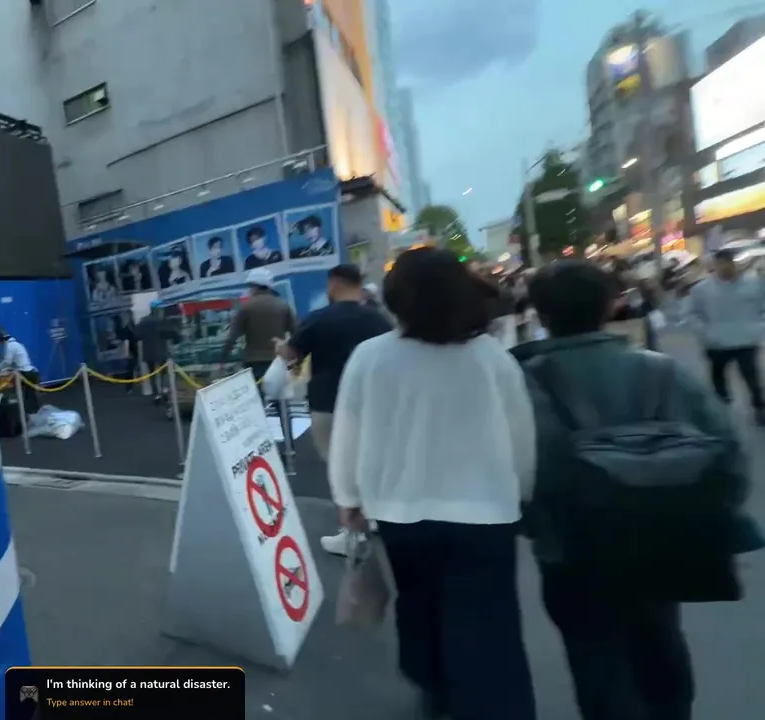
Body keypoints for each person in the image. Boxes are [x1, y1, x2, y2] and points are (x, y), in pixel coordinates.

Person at [512, 260, 757, 720]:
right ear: (612, 306)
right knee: (660, 645)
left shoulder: (521, 382)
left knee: (594, 658)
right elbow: (728, 452)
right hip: (660, 532)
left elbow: (520, 470)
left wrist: (537, 526)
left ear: (540, 315)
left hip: (571, 545)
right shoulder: (661, 371)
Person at [329, 247, 537, 720]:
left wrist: (348, 497)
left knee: (419, 604)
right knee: (489, 624)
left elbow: (348, 431)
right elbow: (521, 435)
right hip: (486, 511)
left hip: (400, 512)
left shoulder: (370, 357)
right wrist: (523, 491)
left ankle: (433, 686)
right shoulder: (490, 356)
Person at [277, 264, 391, 556]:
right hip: (372, 404)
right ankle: (373, 518)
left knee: (340, 468)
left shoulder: (320, 318)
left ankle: (351, 534)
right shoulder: (379, 319)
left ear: (333, 283)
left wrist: (282, 350)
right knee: (370, 462)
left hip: (329, 403)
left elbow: (292, 356)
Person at [689, 248, 765, 424]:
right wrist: (704, 331)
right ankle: (721, 406)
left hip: (745, 340)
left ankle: (759, 408)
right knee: (718, 376)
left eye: (727, 263)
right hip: (717, 343)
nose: (724, 268)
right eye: (720, 264)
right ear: (715, 266)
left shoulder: (754, 284)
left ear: (733, 263)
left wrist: (759, 327)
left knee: (751, 375)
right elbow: (693, 314)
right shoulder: (702, 289)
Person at [221, 267, 296, 385]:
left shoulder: (246, 307)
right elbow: (296, 333)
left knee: (259, 394)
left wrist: (223, 358)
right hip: (278, 363)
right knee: (278, 395)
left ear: (254, 286)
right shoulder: (283, 306)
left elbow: (232, 337)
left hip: (254, 364)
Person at [134, 300, 180, 414]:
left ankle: (156, 394)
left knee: (152, 374)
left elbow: (137, 336)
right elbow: (173, 334)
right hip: (161, 352)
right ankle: (164, 391)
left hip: (149, 352)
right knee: (164, 373)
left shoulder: (144, 321)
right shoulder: (163, 321)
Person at [0, 327, 42, 413]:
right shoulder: (17, 344)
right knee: (30, 394)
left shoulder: (10, 346)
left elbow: (7, 361)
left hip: (25, 373)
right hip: (31, 371)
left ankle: (16, 410)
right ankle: (33, 411)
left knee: (14, 391)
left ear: (0, 340)